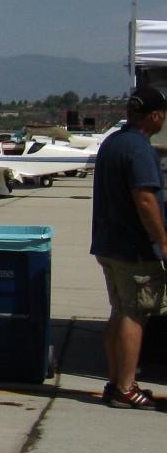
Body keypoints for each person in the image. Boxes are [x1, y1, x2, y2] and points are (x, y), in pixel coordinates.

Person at [89, 84, 167, 410]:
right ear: (154, 116)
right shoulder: (139, 150)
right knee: (136, 314)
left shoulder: (114, 143)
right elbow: (145, 198)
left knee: (120, 312)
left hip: (109, 245)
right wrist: (162, 241)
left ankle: (115, 380)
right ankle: (125, 386)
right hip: (134, 249)